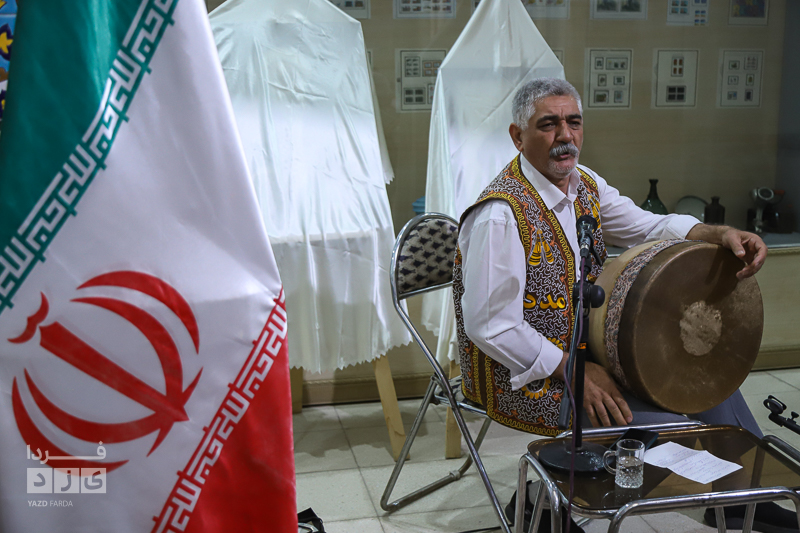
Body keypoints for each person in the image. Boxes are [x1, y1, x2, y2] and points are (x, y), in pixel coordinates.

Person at [453, 78, 795, 533]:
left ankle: (743, 495)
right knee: (669, 430)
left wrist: (718, 233)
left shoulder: (585, 184)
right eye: (548, 125)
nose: (565, 136)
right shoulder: (500, 215)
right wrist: (574, 370)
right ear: (518, 136)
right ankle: (543, 501)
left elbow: (646, 227)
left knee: (704, 379)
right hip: (528, 376)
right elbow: (491, 325)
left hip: (588, 352)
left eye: (574, 122)